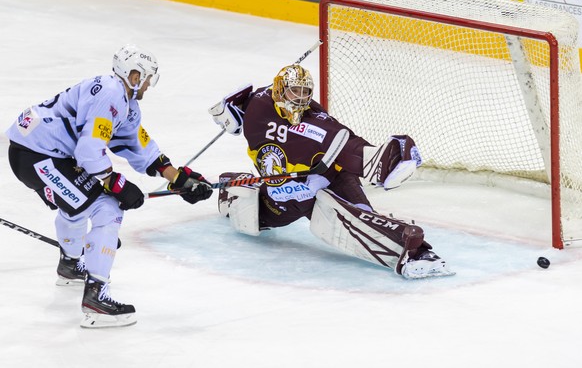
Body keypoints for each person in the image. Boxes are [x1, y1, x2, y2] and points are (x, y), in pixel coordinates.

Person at [5, 44, 213, 328]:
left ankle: (70, 265)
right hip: (38, 155)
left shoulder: (124, 101)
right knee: (107, 207)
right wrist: (115, 184)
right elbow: (90, 152)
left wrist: (177, 178)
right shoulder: (111, 93)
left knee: (78, 202)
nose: (149, 84)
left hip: (41, 151)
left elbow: (138, 145)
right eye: (147, 78)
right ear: (133, 74)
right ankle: (96, 297)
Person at [209, 64, 454, 279]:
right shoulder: (260, 105)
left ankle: (416, 253)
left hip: (327, 180)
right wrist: (228, 111)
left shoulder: (317, 125)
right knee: (257, 218)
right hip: (283, 197)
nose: (300, 98)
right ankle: (233, 188)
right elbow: (238, 104)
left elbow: (350, 147)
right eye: (295, 90)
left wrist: (384, 160)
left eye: (306, 92)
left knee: (359, 216)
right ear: (279, 90)